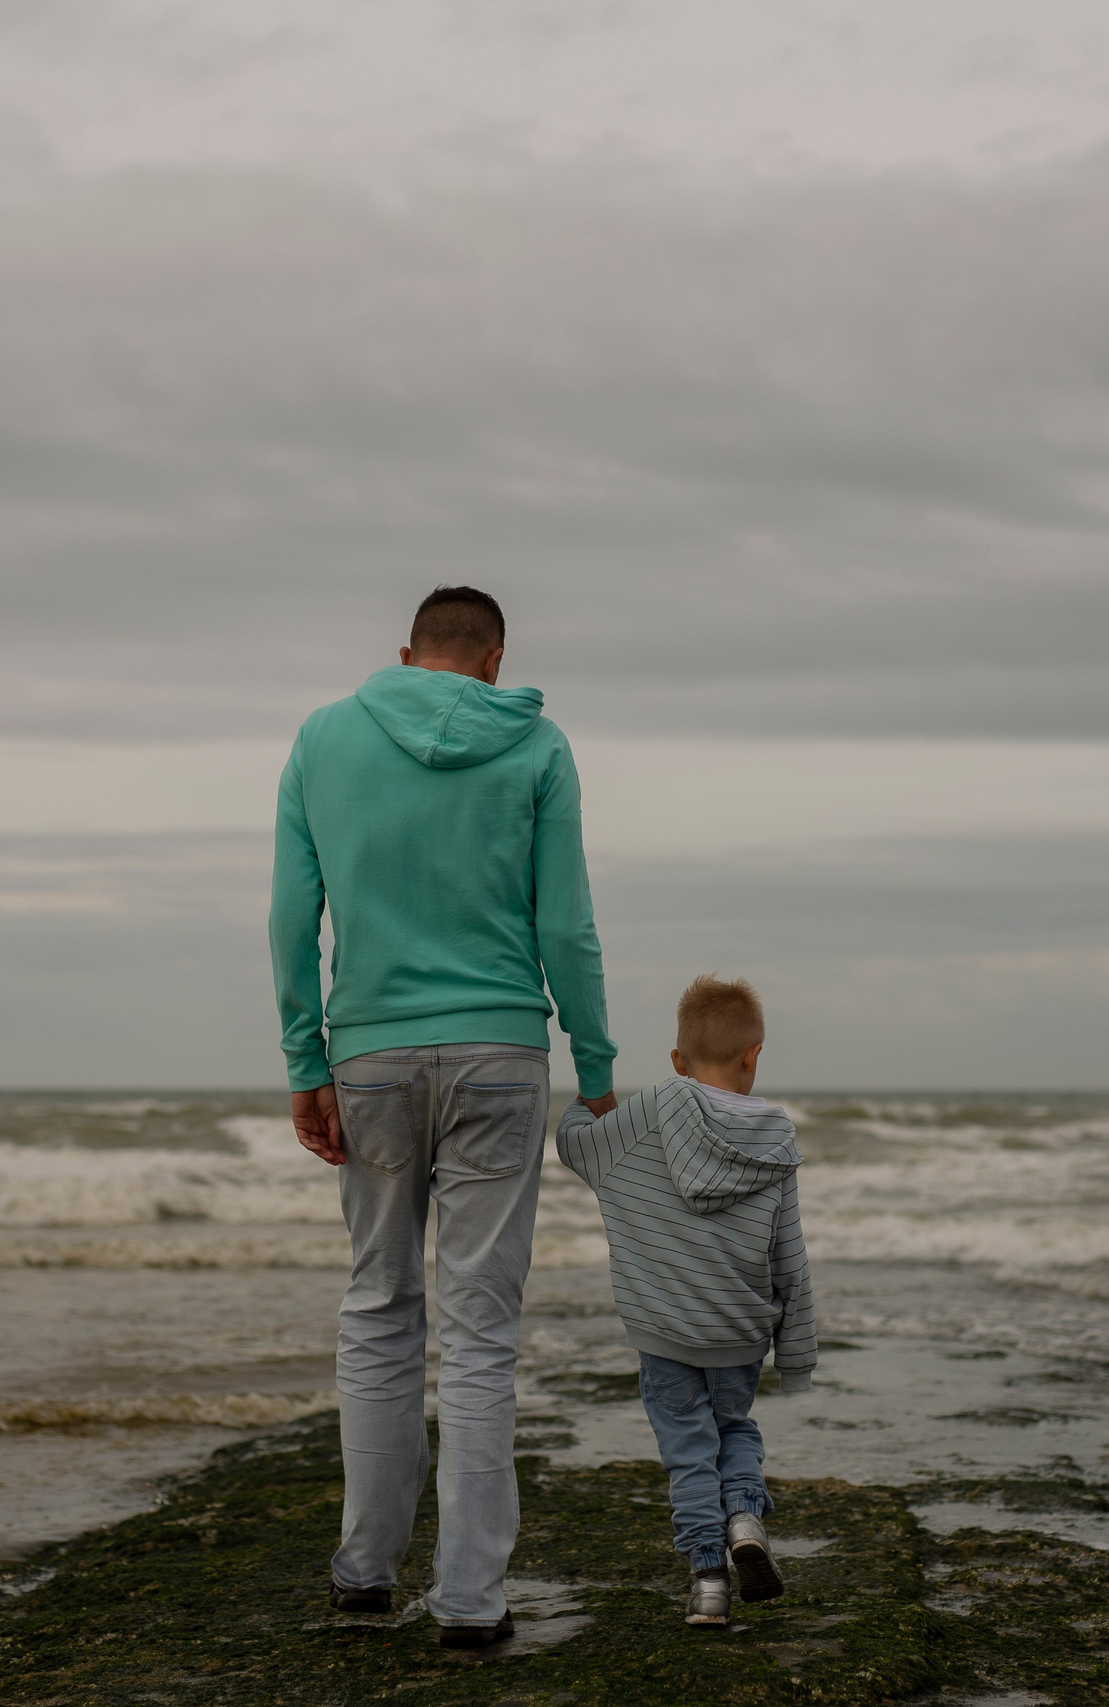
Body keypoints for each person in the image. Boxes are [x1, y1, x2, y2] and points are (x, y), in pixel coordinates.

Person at [269, 586, 617, 1649]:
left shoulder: (325, 736)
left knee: (379, 1306)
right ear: (495, 660)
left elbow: (293, 912)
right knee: (478, 1333)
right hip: (502, 1057)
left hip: (368, 1053)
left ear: (406, 653)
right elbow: (565, 921)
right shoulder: (538, 744)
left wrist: (304, 1059)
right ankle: (469, 1601)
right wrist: (595, 1063)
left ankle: (364, 1571)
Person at [554, 974, 816, 1627]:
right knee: (734, 1430)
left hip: (665, 1332)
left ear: (676, 1060)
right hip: (738, 1332)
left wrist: (587, 1102)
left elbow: (578, 1148)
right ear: (754, 1054)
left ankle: (707, 1579)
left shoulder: (647, 1114)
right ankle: (746, 1516)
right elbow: (791, 1258)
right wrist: (799, 1354)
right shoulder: (776, 1140)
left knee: (688, 1449)